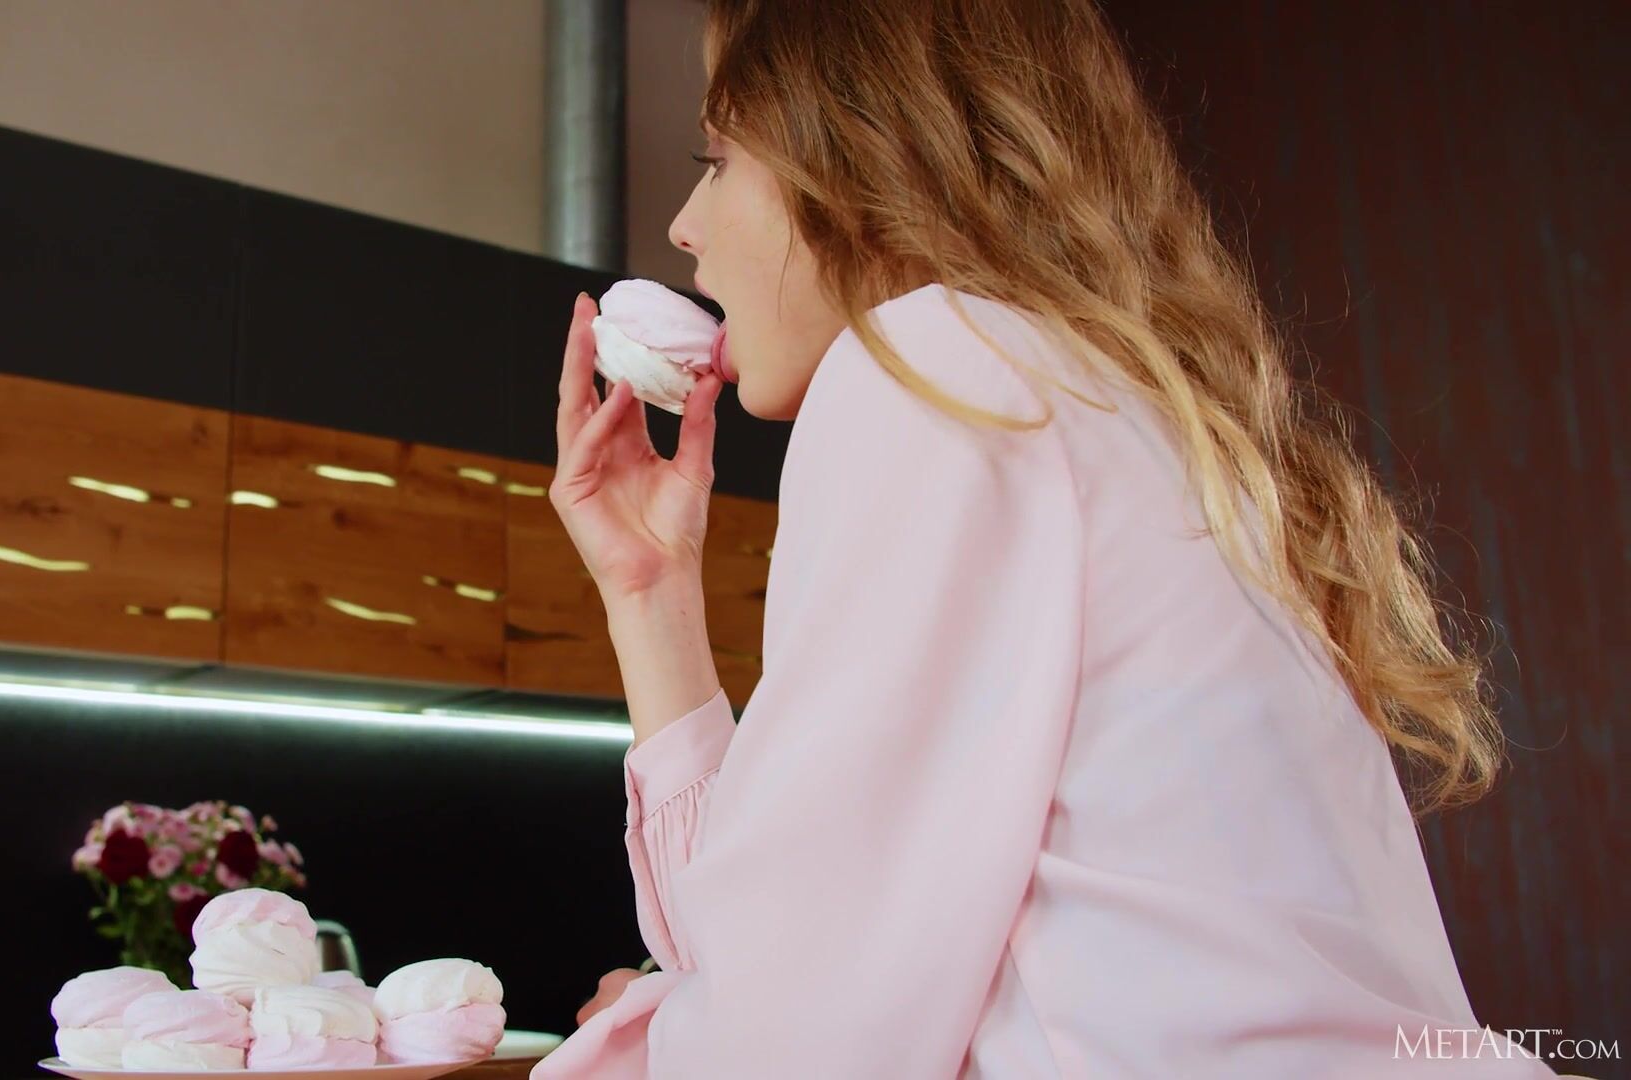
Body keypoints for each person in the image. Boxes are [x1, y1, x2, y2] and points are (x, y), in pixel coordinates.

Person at [536, 1, 1551, 1076]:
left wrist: (647, 1039)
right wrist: (649, 591)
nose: (684, 226)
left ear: (859, 156)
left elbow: (794, 1043)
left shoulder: (939, 367)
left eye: (719, 159)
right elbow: (783, 959)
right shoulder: (1126, 407)